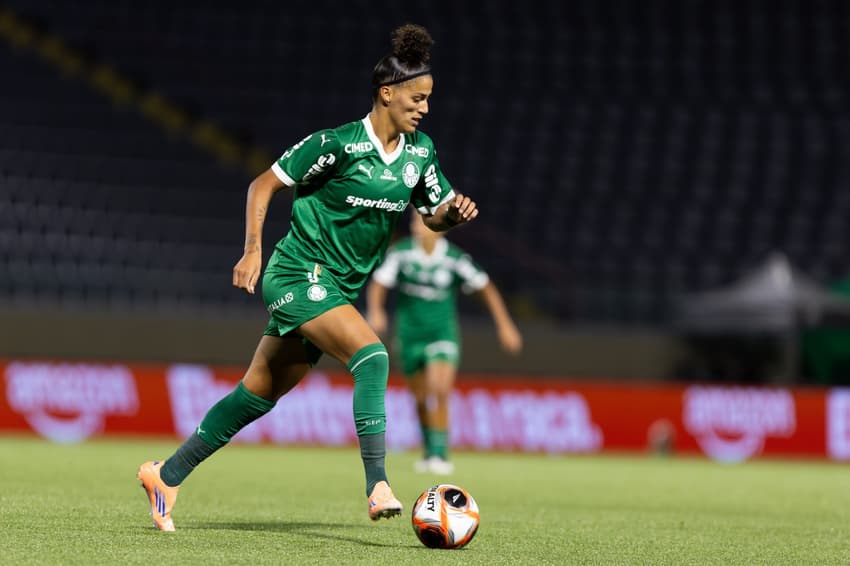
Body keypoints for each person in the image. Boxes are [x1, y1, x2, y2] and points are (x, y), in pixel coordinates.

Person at [136, 24, 480, 531]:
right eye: (417, 98)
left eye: (428, 99)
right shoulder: (335, 144)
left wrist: (453, 215)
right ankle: (378, 484)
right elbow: (262, 185)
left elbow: (433, 215)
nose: (425, 108)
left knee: (258, 393)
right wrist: (252, 250)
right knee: (372, 357)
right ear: (387, 93)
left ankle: (165, 475)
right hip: (297, 273)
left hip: (337, 288)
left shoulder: (420, 152)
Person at [367, 214, 522, 475]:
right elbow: (379, 284)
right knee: (420, 398)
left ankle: (440, 454)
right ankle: (429, 451)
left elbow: (486, 288)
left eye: (422, 222)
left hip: (442, 334)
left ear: (439, 228)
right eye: (414, 222)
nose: (416, 227)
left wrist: (505, 325)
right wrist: (376, 310)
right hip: (409, 336)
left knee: (439, 389)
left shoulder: (455, 259)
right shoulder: (401, 254)